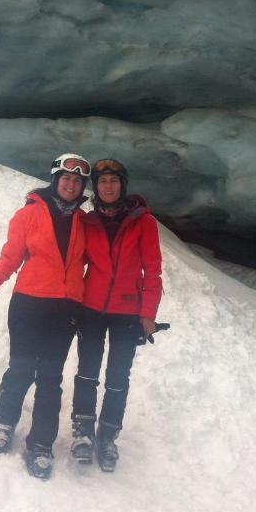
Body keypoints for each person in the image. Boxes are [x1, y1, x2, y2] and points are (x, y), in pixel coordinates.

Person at [0, 153, 90, 480]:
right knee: (22, 367)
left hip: (65, 310)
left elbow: (98, 266)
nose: (71, 183)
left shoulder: (85, 222)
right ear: (55, 179)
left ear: (82, 187)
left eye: (78, 180)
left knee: (51, 377)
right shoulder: (29, 214)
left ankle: (41, 443)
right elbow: (9, 258)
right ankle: (5, 421)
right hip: (29, 304)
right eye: (66, 178)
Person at [70, 158, 162, 472]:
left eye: (113, 181)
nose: (108, 187)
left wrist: (148, 312)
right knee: (87, 372)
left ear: (122, 184)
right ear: (96, 186)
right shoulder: (87, 221)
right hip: (91, 307)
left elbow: (153, 270)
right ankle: (83, 431)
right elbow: (74, 263)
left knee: (118, 378)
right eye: (102, 181)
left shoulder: (143, 222)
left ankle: (108, 435)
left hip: (127, 310)